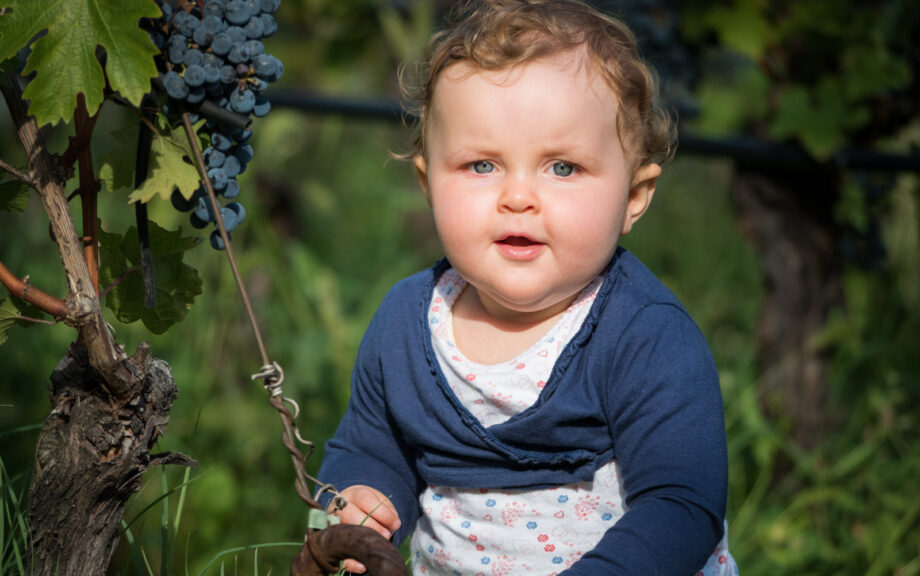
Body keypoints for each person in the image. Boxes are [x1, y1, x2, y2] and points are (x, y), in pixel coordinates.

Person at [317, 0, 737, 574]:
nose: (518, 196)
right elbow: (369, 450)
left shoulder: (644, 336)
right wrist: (364, 500)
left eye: (562, 167)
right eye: (481, 166)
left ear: (633, 198)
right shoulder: (406, 325)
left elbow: (681, 507)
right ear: (428, 181)